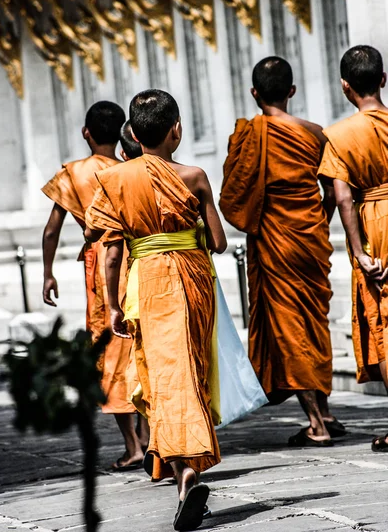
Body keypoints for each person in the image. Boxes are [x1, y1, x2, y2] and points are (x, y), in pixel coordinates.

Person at [85, 89, 227, 531]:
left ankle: (183, 471)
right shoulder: (195, 176)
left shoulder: (115, 180)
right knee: (189, 371)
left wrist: (111, 307)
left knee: (164, 376)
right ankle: (187, 472)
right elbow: (219, 243)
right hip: (192, 280)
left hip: (145, 282)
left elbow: (109, 253)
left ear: (132, 134)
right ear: (177, 130)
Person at [220, 56, 344, 447]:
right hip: (308, 239)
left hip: (275, 240)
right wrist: (317, 222)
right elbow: (332, 193)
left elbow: (234, 196)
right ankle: (325, 412)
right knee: (312, 324)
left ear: (255, 93)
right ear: (292, 91)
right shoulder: (315, 133)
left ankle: (317, 425)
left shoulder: (249, 135)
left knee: (291, 331)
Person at [41, 100, 148, 470]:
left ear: (86, 133)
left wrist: (48, 272)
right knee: (138, 342)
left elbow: (52, 229)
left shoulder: (73, 173)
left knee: (110, 349)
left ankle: (133, 444)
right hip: (132, 258)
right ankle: (149, 437)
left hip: (99, 268)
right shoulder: (128, 168)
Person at [318, 45, 388, 452]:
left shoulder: (339, 135)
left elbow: (343, 198)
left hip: (375, 223)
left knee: (385, 320)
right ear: (382, 79)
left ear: (345, 87)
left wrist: (360, 253)